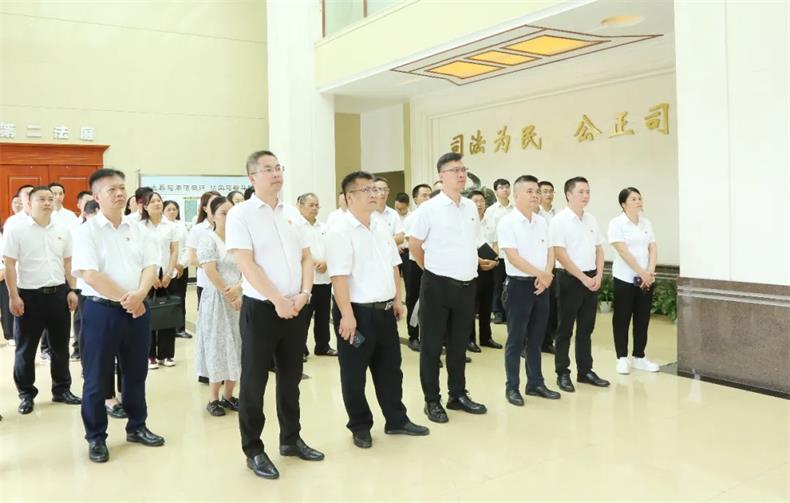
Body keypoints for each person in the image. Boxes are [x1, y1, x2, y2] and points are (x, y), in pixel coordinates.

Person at [227, 150, 324, 480]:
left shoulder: (292, 214)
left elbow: (306, 258)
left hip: (296, 307)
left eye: (278, 167)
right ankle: (253, 449)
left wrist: (305, 294)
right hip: (262, 309)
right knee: (254, 382)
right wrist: (277, 299)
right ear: (252, 177)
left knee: (291, 378)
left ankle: (291, 439)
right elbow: (246, 263)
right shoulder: (241, 214)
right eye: (267, 169)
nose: (275, 173)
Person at [326, 171, 429, 449]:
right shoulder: (340, 230)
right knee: (354, 373)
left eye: (375, 189)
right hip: (356, 313)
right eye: (367, 190)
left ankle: (397, 420)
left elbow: (394, 265)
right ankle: (360, 426)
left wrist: (397, 299)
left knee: (390, 370)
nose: (375, 194)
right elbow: (338, 277)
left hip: (384, 311)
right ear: (349, 197)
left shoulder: (381, 225)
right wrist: (347, 315)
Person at [72, 168, 164, 463]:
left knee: (136, 373)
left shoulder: (138, 228)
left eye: (122, 188)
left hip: (137, 311)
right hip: (101, 311)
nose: (120, 193)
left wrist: (140, 296)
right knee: (97, 377)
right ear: (97, 196)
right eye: (112, 189)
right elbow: (90, 274)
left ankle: (137, 426)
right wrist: (129, 299)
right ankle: (96, 437)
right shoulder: (86, 231)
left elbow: (150, 266)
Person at [409, 152, 487, 424]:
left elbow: (473, 242)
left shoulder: (470, 207)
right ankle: (432, 400)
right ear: (441, 176)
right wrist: (432, 269)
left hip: (466, 285)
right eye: (455, 170)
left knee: (458, 345)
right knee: (432, 346)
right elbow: (415, 245)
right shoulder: (428, 209)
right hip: (437, 285)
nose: (461, 174)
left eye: (463, 169)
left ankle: (458, 394)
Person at [3, 186, 81, 415]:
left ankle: (62, 389)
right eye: (41, 199)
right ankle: (26, 394)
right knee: (26, 350)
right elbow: (9, 265)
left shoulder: (63, 229)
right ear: (29, 203)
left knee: (60, 348)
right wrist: (13, 295)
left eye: (50, 198)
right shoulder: (16, 229)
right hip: (29, 297)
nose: (48, 202)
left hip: (58, 294)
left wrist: (72, 290)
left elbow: (68, 262)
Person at [498, 176, 561, 406]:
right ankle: (512, 387)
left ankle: (535, 383)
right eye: (530, 191)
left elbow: (551, 251)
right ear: (516, 196)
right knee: (516, 340)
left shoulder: (542, 222)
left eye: (537, 191)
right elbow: (513, 257)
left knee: (536, 338)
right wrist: (541, 274)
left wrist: (546, 275)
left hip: (542, 285)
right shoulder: (507, 222)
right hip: (519, 286)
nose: (535, 195)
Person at [549, 176, 610, 392]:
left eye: (588, 192)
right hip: (569, 279)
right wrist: (583, 278)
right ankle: (562, 373)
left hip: (591, 278)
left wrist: (599, 275)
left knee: (586, 328)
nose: (586, 196)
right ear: (568, 195)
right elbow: (560, 254)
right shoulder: (559, 221)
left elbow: (599, 249)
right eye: (581, 192)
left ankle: (585, 371)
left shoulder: (591, 219)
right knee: (565, 328)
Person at [194, 196, 243, 416]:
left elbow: (248, 267)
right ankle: (213, 398)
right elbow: (210, 271)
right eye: (223, 213)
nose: (228, 216)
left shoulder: (238, 238)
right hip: (217, 299)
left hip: (239, 298)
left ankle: (229, 395)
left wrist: (239, 289)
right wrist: (229, 294)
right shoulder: (208, 239)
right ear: (212, 216)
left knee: (237, 344)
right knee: (217, 346)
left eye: (231, 212)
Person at [608, 187, 660, 374]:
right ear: (623, 204)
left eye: (639, 198)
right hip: (625, 278)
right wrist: (641, 272)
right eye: (633, 199)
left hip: (646, 279)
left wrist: (650, 272)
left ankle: (639, 356)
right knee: (622, 318)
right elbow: (623, 252)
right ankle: (621, 357)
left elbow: (652, 248)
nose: (638, 202)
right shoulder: (617, 223)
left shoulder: (646, 223)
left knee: (642, 318)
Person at [141, 191, 179, 369]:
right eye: (153, 201)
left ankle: (166, 353)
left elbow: (174, 250)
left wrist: (169, 274)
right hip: (146, 275)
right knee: (148, 314)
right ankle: (150, 355)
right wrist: (151, 276)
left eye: (159, 200)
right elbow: (139, 253)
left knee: (167, 312)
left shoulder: (170, 226)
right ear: (145, 206)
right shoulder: (140, 226)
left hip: (167, 274)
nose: (157, 203)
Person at [296, 192, 336, 358]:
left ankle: (323, 346)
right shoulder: (297, 227)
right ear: (300, 206)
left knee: (323, 315)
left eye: (317, 205)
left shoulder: (324, 227)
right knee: (304, 317)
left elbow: (332, 248)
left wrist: (326, 262)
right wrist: (314, 263)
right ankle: (300, 349)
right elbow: (298, 251)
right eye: (311, 205)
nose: (315, 208)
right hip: (306, 280)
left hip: (324, 279)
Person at [467, 190, 499, 353]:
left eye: (482, 201)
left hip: (489, 266)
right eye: (475, 201)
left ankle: (486, 337)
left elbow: (495, 243)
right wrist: (478, 260)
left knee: (487, 304)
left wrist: (495, 260)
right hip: (472, 267)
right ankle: (470, 339)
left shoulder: (491, 221)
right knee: (471, 305)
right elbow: (465, 245)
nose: (479, 204)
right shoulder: (466, 221)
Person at [402, 184, 431, 352]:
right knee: (413, 299)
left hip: (434, 264)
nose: (428, 198)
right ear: (415, 199)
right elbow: (412, 242)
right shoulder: (412, 218)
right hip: (415, 263)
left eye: (429, 195)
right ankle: (413, 336)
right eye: (424, 195)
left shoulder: (436, 215)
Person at [484, 178, 513, 325]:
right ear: (496, 191)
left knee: (511, 285)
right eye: (501, 187)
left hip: (513, 254)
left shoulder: (515, 209)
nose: (505, 190)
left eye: (507, 187)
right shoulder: (491, 210)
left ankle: (509, 312)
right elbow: (490, 233)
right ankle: (497, 312)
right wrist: (492, 254)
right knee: (497, 285)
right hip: (498, 253)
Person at [163, 200, 190, 338]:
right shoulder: (161, 226)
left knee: (180, 298)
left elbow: (187, 248)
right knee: (166, 299)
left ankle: (180, 328)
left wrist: (181, 264)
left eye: (174, 209)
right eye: (169, 209)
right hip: (165, 270)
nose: (172, 211)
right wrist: (171, 265)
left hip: (181, 269)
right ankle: (167, 328)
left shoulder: (182, 227)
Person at [538, 180, 559, 354]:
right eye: (545, 191)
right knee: (535, 307)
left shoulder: (558, 214)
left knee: (552, 306)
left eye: (551, 191)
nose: (548, 194)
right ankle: (528, 343)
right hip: (538, 266)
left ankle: (547, 341)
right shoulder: (534, 214)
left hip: (555, 266)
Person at [371, 178, 405, 247]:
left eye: (385, 190)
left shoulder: (393, 213)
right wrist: (390, 241)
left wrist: (382, 243)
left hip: (390, 253)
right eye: (379, 189)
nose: (383, 193)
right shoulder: (366, 213)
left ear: (388, 192)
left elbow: (401, 237)